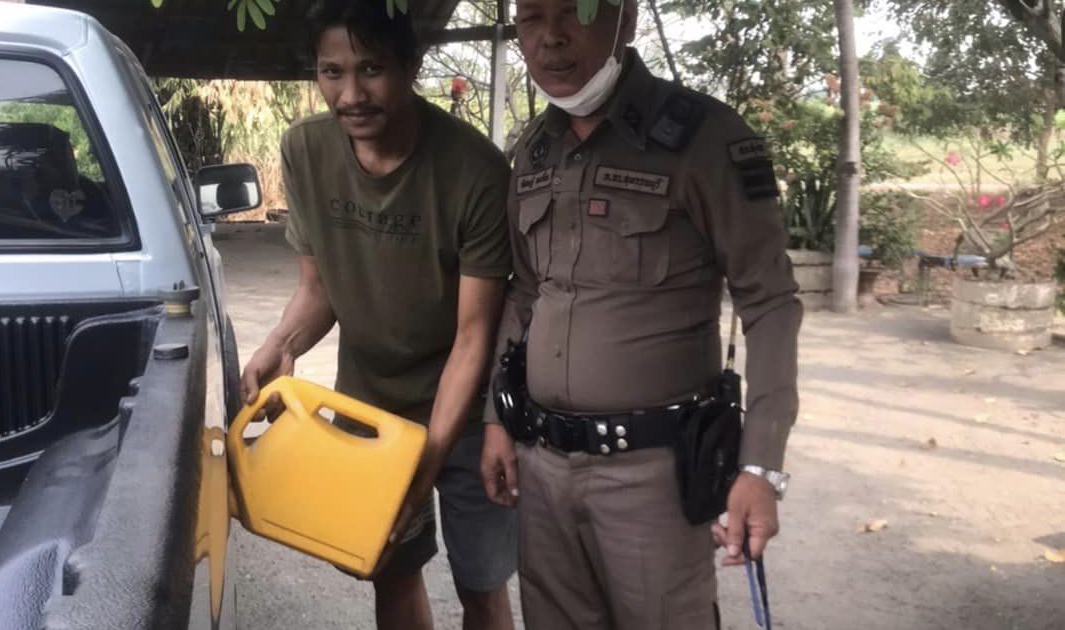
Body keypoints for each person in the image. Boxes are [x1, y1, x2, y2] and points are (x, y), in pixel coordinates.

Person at [479, 0, 802, 628]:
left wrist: (760, 465)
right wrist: (497, 418)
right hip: (542, 467)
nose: (551, 37)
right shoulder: (536, 149)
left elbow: (769, 302)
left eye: (573, 12)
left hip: (652, 475)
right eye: (531, 18)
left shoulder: (705, 139)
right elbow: (525, 292)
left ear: (624, 19)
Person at [239, 3, 517, 629]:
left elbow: (474, 335)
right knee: (388, 569)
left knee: (482, 587)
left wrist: (429, 457)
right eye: (331, 72)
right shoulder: (306, 150)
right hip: (371, 404)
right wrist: (282, 344)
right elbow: (317, 290)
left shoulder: (474, 170)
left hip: (467, 411)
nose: (351, 95)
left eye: (371, 69)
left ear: (411, 67)